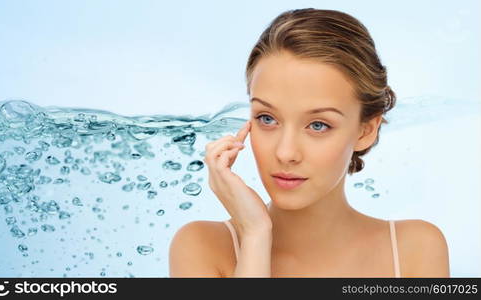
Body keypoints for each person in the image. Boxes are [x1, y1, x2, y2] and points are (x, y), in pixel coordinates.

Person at [169, 8, 450, 278]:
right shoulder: (202, 247)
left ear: (365, 130)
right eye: (267, 119)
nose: (285, 153)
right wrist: (255, 235)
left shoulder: (415, 249)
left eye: (318, 125)